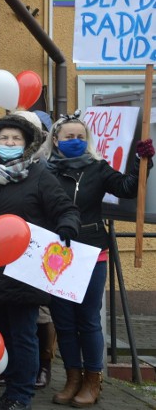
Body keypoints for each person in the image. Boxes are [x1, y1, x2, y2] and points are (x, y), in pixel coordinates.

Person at [43, 113, 153, 406]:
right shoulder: (44, 171)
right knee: (64, 322)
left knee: (88, 320)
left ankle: (93, 380)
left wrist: (142, 162)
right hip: (55, 254)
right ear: (56, 140)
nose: (75, 142)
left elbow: (128, 188)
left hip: (91, 253)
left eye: (81, 137)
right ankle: (72, 379)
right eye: (69, 137)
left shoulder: (97, 168)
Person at [0, 114, 81, 410]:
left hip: (24, 268)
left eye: (16, 139)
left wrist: (67, 228)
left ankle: (20, 395)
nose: (9, 143)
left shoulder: (39, 175)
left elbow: (65, 209)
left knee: (23, 334)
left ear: (26, 144)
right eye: (4, 139)